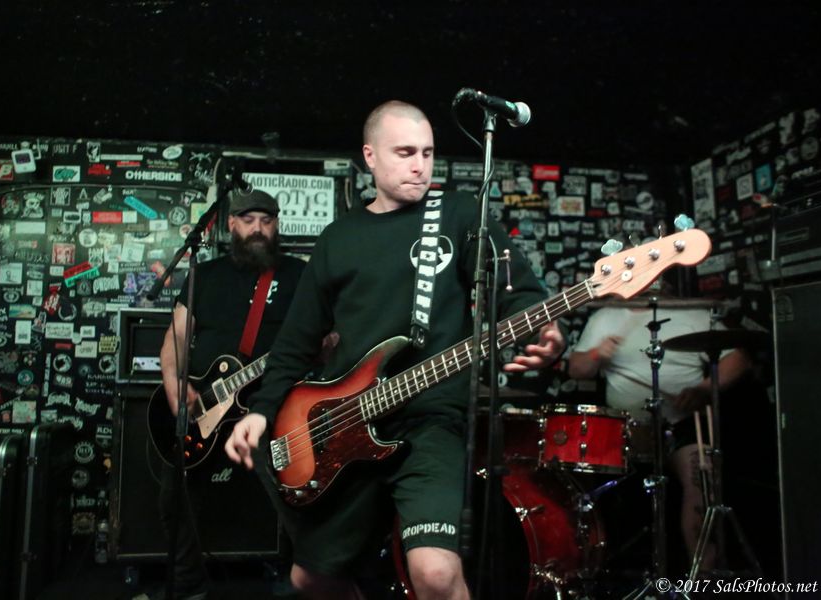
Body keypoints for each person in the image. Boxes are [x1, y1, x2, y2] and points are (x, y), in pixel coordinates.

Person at [225, 100, 565, 600]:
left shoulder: (459, 214)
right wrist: (261, 410)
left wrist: (545, 327)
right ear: (370, 157)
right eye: (405, 152)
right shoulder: (339, 238)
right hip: (345, 425)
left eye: (427, 153)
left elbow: (517, 291)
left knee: (435, 575)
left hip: (431, 421)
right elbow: (296, 342)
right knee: (311, 580)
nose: (419, 165)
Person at [157, 188, 307, 600]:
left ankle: (304, 579)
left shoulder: (299, 276)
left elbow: (323, 335)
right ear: (231, 224)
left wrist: (328, 343)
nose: (258, 229)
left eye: (266, 221)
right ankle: (188, 584)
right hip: (206, 405)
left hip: (273, 405)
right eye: (248, 220)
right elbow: (176, 338)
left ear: (277, 226)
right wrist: (174, 381)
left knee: (296, 493)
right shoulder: (205, 275)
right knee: (174, 496)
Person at [567, 289, 751, 572]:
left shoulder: (693, 314)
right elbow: (577, 369)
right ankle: (602, 572)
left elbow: (737, 360)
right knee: (591, 489)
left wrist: (703, 389)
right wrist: (595, 353)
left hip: (684, 424)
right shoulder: (605, 317)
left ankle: (703, 575)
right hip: (625, 430)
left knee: (702, 482)